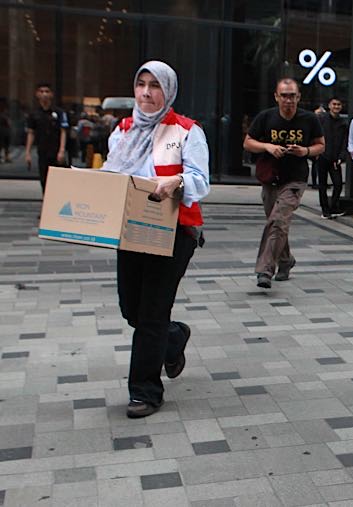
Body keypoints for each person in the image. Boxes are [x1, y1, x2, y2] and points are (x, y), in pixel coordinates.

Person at [101, 61, 210, 418]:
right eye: (141, 85)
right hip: (131, 229)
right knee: (131, 309)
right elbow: (112, 178)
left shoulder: (186, 131)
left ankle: (145, 391)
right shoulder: (123, 130)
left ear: (169, 91)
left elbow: (200, 180)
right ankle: (174, 336)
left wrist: (177, 182)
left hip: (176, 231)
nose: (147, 92)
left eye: (155, 86)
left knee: (151, 312)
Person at [244, 78, 325, 289]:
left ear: (298, 97)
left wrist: (305, 151)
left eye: (292, 96)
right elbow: (248, 142)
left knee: (278, 221)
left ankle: (265, 270)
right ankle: (286, 260)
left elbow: (320, 145)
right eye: (284, 95)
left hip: (295, 180)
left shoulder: (309, 119)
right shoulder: (266, 117)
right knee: (276, 223)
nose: (288, 100)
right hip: (271, 179)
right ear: (276, 97)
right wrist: (268, 147)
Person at [25, 83, 69, 192]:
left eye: (47, 91)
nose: (44, 94)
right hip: (42, 151)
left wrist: (62, 150)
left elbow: (63, 131)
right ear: (37, 94)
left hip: (56, 151)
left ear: (51, 94)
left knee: (58, 179)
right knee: (44, 179)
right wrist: (27, 153)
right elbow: (31, 133)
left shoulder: (59, 113)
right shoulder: (34, 114)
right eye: (41, 91)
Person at [316, 96, 348, 218]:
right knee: (322, 185)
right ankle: (325, 210)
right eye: (334, 104)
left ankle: (333, 206)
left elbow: (344, 142)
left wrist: (341, 157)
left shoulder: (343, 123)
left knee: (338, 184)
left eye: (338, 105)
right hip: (322, 156)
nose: (336, 107)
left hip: (335, 159)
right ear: (329, 106)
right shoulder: (321, 119)